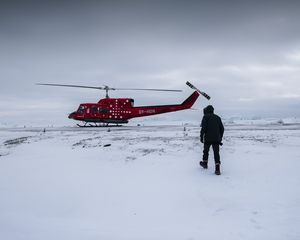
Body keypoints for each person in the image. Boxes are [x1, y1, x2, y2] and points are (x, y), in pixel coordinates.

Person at [200, 105, 224, 175]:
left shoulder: (205, 117)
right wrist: (220, 137)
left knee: (206, 151)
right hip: (216, 139)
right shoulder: (218, 117)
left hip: (208, 138)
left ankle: (205, 163)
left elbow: (203, 128)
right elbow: (222, 129)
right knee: (216, 153)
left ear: (207, 110)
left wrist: (201, 137)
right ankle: (217, 169)